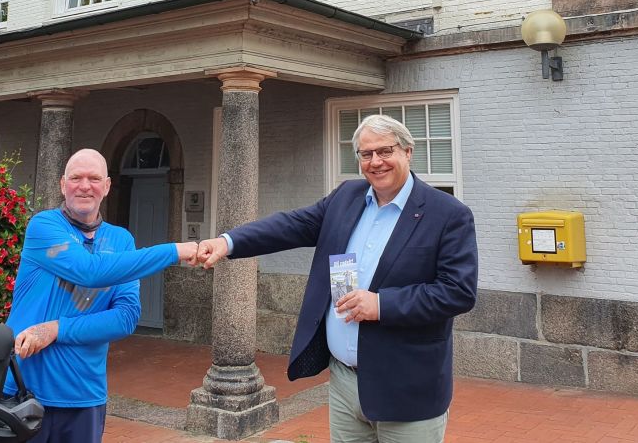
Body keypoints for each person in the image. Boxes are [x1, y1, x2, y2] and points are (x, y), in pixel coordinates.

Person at [199, 114, 478, 443]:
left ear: (407, 151)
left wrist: (381, 304)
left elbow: (457, 291)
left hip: (408, 388)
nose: (376, 162)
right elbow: (291, 225)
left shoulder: (448, 214)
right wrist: (228, 242)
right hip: (345, 383)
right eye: (366, 154)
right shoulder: (347, 196)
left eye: (385, 151)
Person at [4, 148, 199, 443]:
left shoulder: (121, 240)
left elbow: (125, 317)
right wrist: (174, 251)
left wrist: (57, 329)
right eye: (76, 178)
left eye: (94, 178)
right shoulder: (44, 226)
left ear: (107, 186)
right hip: (22, 391)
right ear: (63, 184)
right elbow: (88, 271)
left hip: (84, 395)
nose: (84, 186)